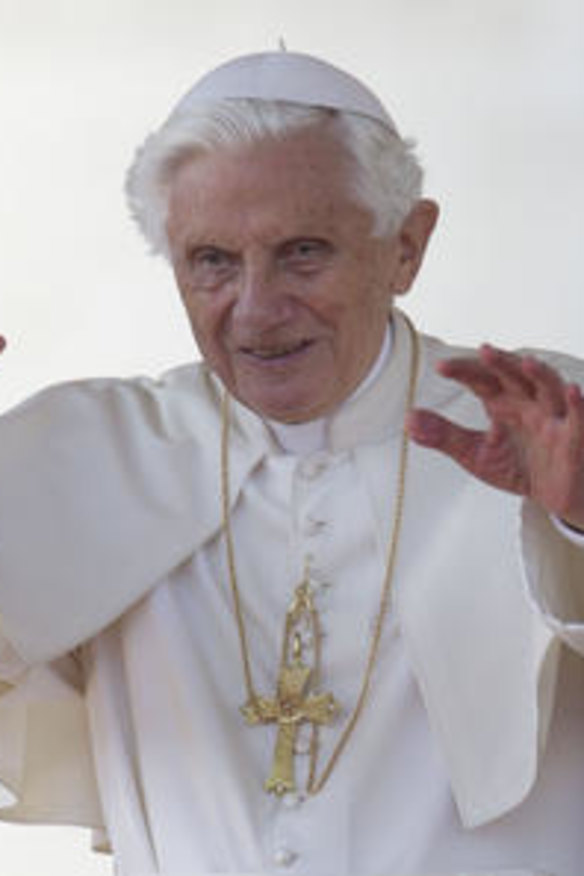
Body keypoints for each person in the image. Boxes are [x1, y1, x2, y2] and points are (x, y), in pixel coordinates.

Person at [0, 50, 583, 876]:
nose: (258, 309)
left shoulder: (552, 425)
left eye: (303, 252)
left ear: (407, 246)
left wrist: (576, 523)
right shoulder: (85, 451)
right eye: (211, 262)